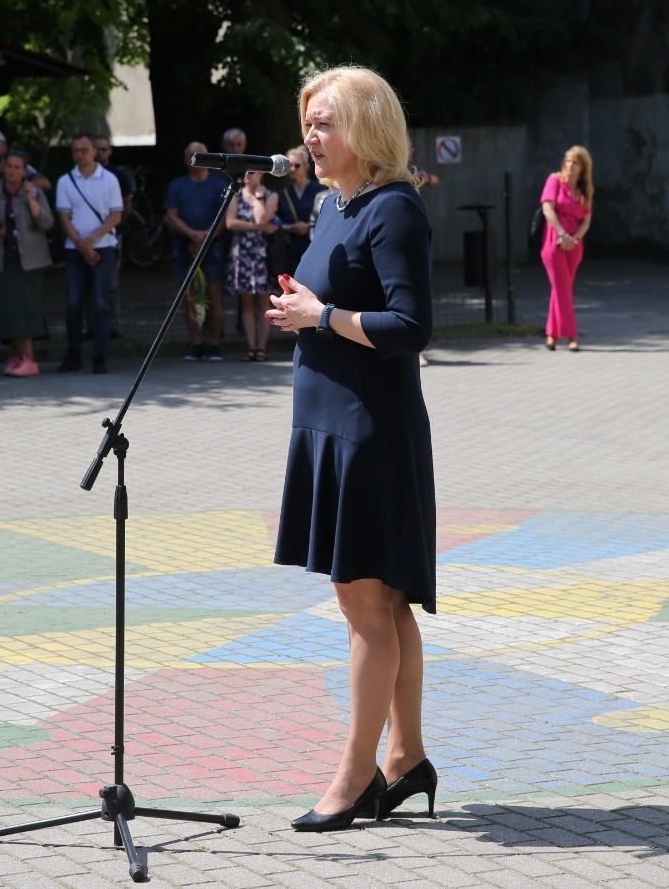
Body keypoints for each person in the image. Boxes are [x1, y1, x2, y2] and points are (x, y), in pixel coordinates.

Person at [266, 65, 437, 832]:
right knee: (383, 600)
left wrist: (321, 315)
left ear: (365, 127)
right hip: (329, 424)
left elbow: (411, 327)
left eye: (325, 122)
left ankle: (356, 774)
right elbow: (326, 302)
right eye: (308, 122)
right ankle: (406, 759)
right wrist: (304, 313)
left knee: (365, 602)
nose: (311, 136)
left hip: (369, 427)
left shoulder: (394, 210)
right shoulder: (331, 205)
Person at [0, 149, 55, 377]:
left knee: (26, 311)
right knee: (7, 312)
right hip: (0, 260)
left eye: (17, 167)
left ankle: (30, 360)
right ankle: (17, 357)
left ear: (24, 171)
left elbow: (47, 223)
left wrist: (31, 200)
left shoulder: (35, 192)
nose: (11, 171)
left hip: (28, 261)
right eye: (9, 166)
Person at [54, 133, 123, 373]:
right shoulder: (65, 181)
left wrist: (91, 241)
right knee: (74, 303)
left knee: (101, 303)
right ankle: (74, 355)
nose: (79, 155)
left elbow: (116, 215)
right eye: (75, 151)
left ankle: (100, 356)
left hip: (103, 246)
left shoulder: (110, 179)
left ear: (95, 151)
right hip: (75, 249)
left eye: (84, 150)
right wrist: (82, 245)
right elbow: (63, 217)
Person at [164, 141, 229, 361]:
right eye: (192, 155)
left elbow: (224, 217)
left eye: (201, 155)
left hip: (213, 247)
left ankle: (214, 344)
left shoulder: (219, 185)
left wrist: (205, 237)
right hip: (185, 246)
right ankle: (196, 344)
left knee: (214, 296)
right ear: (185, 160)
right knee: (190, 297)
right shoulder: (177, 185)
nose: (196, 158)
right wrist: (193, 235)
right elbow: (171, 215)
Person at [539, 146, 593, 352]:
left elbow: (587, 219)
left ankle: (551, 334)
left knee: (562, 289)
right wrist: (562, 235)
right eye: (568, 161)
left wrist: (575, 238)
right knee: (562, 288)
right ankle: (572, 335)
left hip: (575, 244)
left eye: (575, 162)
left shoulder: (584, 190)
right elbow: (547, 209)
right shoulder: (554, 180)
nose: (570, 165)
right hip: (554, 240)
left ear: (583, 168)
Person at [225, 168, 280, 361]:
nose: (248, 174)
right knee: (246, 303)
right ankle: (251, 347)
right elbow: (230, 223)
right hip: (242, 254)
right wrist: (258, 228)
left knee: (263, 303)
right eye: (246, 171)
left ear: (261, 175)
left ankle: (261, 348)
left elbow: (261, 218)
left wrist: (259, 198)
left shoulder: (271, 196)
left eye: (253, 171)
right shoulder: (235, 195)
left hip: (262, 255)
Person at [94, 134, 132, 338]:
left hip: (113, 234)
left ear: (109, 151)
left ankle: (113, 325)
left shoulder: (118, 176)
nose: (100, 152)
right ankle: (91, 325)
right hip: (87, 237)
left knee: (111, 283)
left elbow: (126, 206)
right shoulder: (81, 176)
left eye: (103, 149)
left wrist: (116, 226)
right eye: (96, 148)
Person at [275, 145, 319, 269]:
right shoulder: (283, 194)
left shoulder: (320, 191)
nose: (293, 169)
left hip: (313, 245)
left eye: (297, 165)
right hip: (290, 250)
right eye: (289, 166)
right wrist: (287, 227)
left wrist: (309, 226)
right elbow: (276, 220)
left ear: (306, 166)